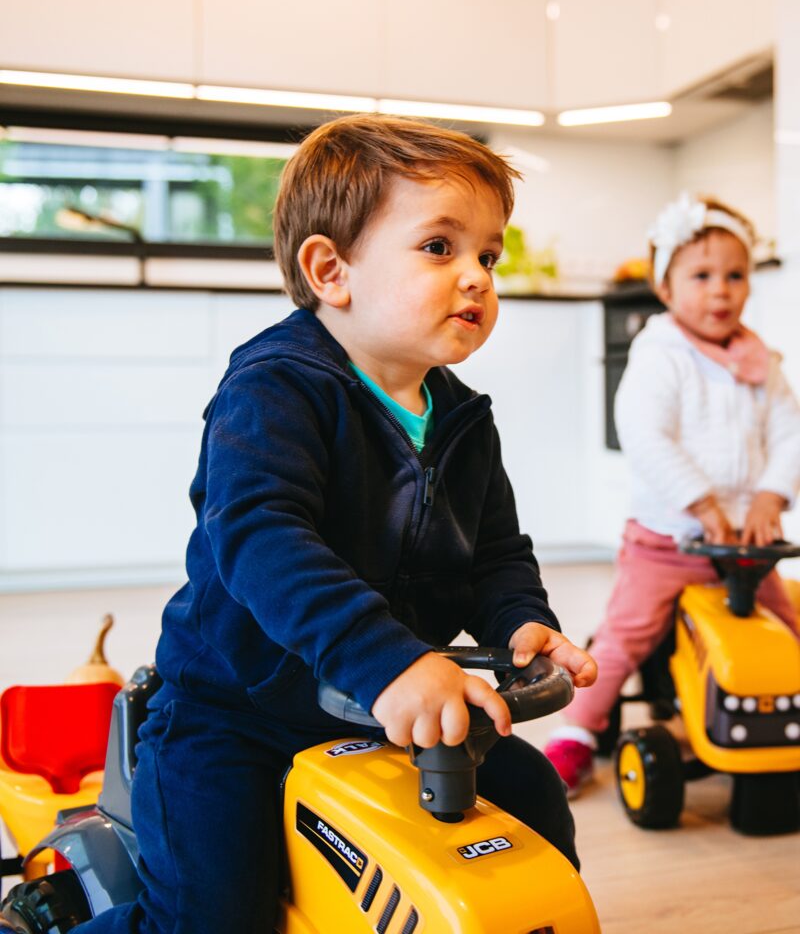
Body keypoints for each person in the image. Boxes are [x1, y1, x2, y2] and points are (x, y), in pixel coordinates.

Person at [69, 114, 597, 934]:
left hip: (380, 711)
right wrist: (386, 661)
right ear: (331, 270)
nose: (478, 277)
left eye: (488, 255)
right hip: (236, 715)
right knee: (213, 914)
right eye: (439, 248)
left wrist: (521, 619)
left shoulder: (462, 420)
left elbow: (494, 551)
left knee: (531, 799)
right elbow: (262, 539)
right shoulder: (275, 389)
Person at [544, 192, 800, 798]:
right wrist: (704, 506)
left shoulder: (760, 360)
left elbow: (790, 432)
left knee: (786, 622)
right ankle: (578, 732)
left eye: (734, 276)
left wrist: (770, 495)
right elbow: (646, 436)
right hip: (667, 541)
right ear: (666, 288)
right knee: (628, 633)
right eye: (702, 277)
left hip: (743, 547)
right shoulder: (660, 353)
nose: (721, 292)